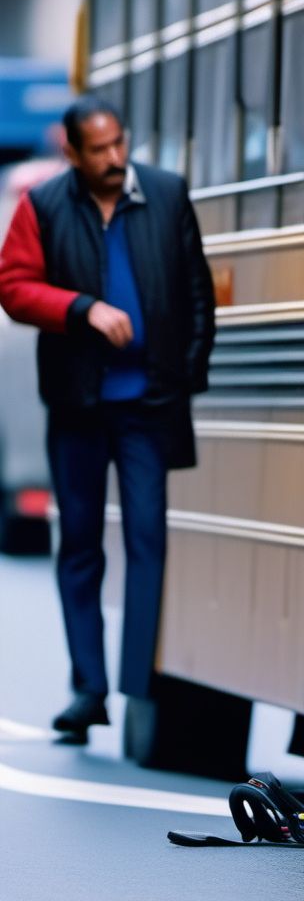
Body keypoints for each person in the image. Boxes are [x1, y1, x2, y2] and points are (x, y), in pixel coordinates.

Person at [0, 96, 214, 743]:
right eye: (99, 149)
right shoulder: (43, 206)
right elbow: (12, 287)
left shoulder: (169, 196)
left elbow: (198, 295)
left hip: (149, 404)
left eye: (119, 143)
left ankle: (138, 684)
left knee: (149, 540)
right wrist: (83, 308)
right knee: (82, 546)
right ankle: (87, 689)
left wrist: (185, 378)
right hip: (78, 404)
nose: (115, 158)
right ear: (72, 153)